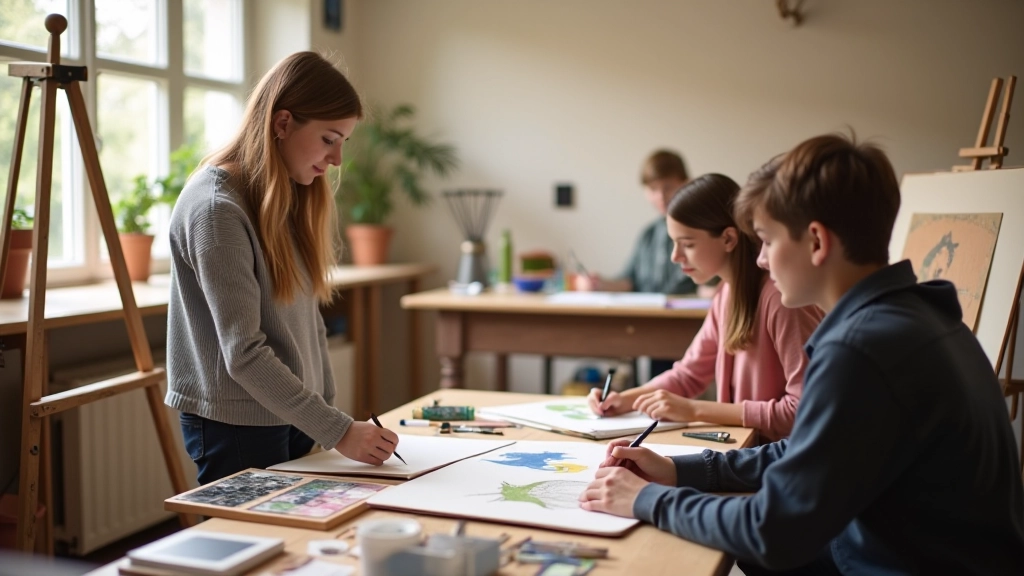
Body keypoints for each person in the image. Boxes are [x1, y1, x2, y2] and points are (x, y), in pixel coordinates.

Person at [579, 134, 1024, 575]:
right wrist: (683, 470)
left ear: (816, 241)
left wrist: (645, 499)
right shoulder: (918, 315)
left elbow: (773, 530)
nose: (760, 261)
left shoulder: (863, 349)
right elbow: (806, 449)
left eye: (768, 241)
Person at [165, 52, 398, 485]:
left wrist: (325, 418)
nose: (337, 160)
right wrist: (339, 430)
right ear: (283, 123)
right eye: (330, 138)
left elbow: (308, 321)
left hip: (289, 412)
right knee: (247, 545)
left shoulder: (281, 193)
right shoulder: (216, 210)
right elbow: (245, 353)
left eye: (343, 141)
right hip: (237, 423)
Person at [587, 174, 822, 441]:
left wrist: (695, 409)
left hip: (776, 463)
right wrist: (625, 399)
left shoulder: (782, 301)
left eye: (687, 244)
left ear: (728, 239)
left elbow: (802, 411)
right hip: (745, 453)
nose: (675, 257)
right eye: (673, 243)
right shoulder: (726, 294)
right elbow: (688, 375)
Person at [575, 150, 704, 377]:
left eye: (668, 187)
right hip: (652, 328)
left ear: (686, 184)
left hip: (687, 330)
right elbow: (629, 280)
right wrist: (599, 283)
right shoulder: (649, 234)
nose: (661, 196)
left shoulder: (702, 231)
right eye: (653, 189)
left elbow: (711, 285)